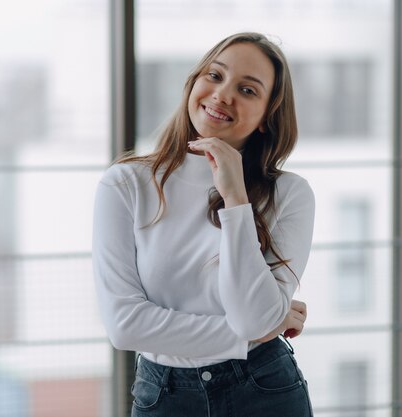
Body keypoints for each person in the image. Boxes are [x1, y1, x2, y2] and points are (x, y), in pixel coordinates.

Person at [92, 32, 315, 417]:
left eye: (247, 89)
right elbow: (125, 325)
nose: (223, 94)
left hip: (265, 388)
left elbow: (251, 316)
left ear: (266, 117)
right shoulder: (126, 183)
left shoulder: (290, 194)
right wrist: (253, 334)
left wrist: (235, 199)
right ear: (193, 82)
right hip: (164, 395)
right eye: (214, 75)